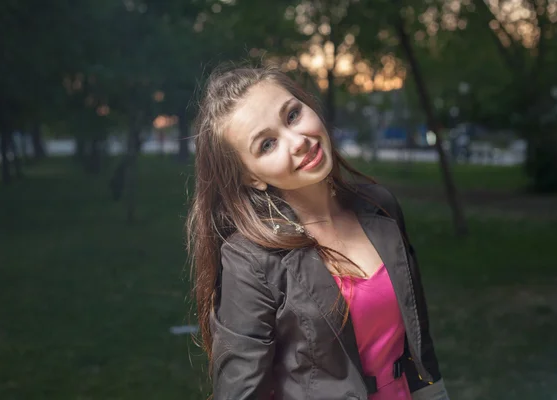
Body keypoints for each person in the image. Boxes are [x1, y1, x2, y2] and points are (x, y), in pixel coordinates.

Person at [186, 64, 449, 400]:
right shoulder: (249, 259)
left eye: (293, 115)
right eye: (267, 144)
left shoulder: (380, 205)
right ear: (251, 177)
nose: (298, 141)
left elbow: (417, 337)